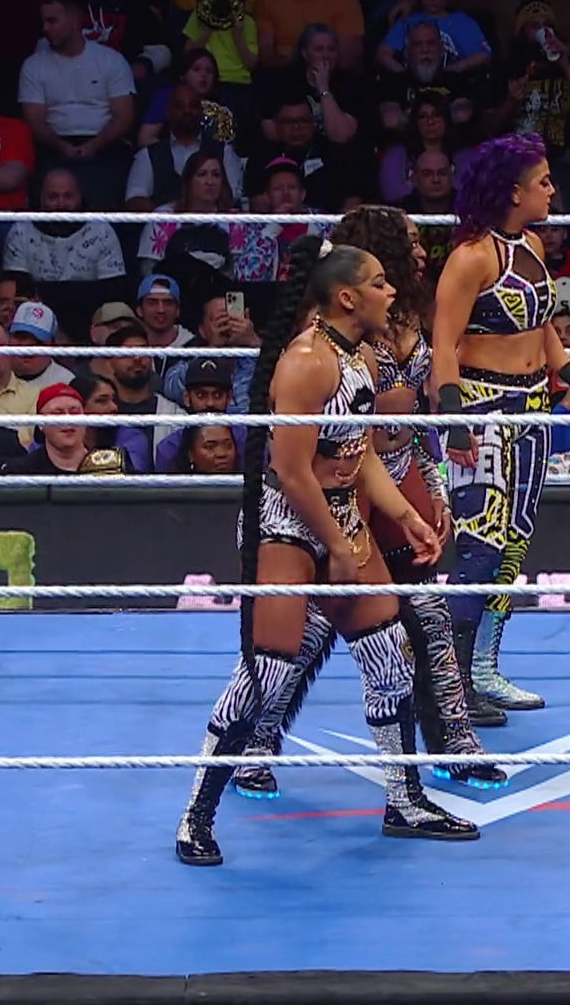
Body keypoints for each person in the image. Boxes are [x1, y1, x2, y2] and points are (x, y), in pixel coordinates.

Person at [172, 234, 450, 868]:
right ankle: (196, 815)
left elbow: (360, 451)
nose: (391, 291)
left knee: (390, 657)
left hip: (343, 512)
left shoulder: (363, 357)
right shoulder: (306, 362)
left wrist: (405, 514)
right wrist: (337, 544)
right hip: (288, 523)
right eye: (379, 283)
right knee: (267, 671)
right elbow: (293, 471)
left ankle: (404, 801)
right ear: (347, 297)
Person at [232, 205, 511, 800]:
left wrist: (431, 488)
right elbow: (327, 434)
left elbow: (414, 421)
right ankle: (253, 743)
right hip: (342, 487)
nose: (420, 252)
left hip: (396, 474)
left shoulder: (404, 315)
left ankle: (452, 744)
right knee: (309, 627)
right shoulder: (332, 335)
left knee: (424, 612)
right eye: (408, 242)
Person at [430, 132, 570, 715]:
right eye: (543, 181)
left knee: (514, 544)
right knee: (479, 544)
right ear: (514, 191)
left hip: (532, 409)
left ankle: (483, 669)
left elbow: (542, 325)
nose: (552, 190)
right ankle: (450, 683)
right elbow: (443, 343)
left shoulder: (532, 245)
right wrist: (454, 422)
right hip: (480, 409)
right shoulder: (471, 257)